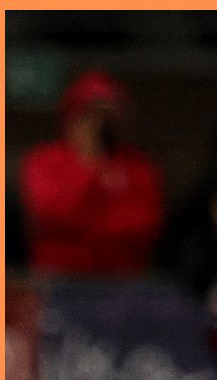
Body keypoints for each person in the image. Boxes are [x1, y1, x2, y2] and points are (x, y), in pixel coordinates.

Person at [19, 69, 164, 276]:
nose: (98, 124)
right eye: (90, 113)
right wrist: (90, 163)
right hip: (58, 278)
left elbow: (145, 224)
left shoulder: (137, 165)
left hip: (122, 279)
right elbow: (49, 215)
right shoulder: (44, 161)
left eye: (105, 115)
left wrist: (91, 229)